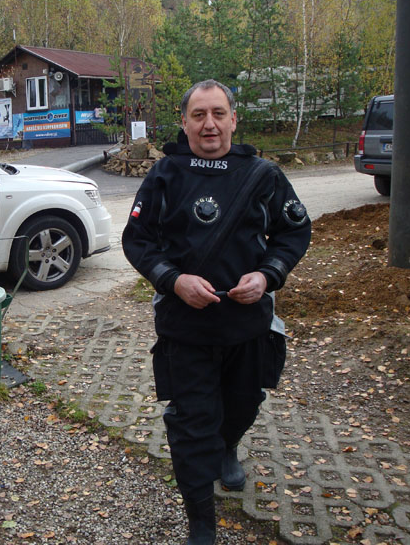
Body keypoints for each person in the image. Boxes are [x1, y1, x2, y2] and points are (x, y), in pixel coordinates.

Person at [121, 80, 311, 544]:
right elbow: (137, 241)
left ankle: (228, 445)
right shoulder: (165, 174)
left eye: (218, 113)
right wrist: (173, 280)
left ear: (233, 119)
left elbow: (294, 231)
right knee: (191, 425)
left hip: (248, 325)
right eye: (199, 115)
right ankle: (201, 523)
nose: (210, 124)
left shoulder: (264, 175)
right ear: (184, 122)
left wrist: (267, 275)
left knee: (243, 403)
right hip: (185, 328)